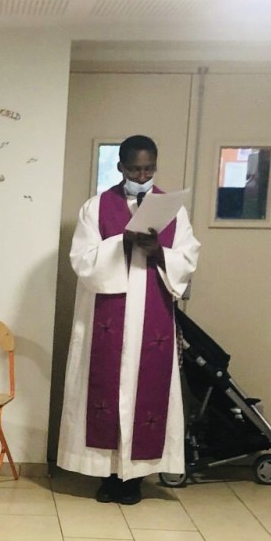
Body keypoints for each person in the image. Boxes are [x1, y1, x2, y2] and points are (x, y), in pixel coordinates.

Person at [56, 135, 200, 506]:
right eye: (135, 169)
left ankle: (134, 478)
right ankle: (107, 475)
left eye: (148, 169)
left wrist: (159, 252)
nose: (142, 175)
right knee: (106, 389)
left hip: (151, 317)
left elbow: (188, 258)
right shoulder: (96, 207)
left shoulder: (173, 210)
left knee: (144, 392)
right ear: (120, 167)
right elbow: (82, 259)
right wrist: (122, 241)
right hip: (107, 315)